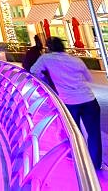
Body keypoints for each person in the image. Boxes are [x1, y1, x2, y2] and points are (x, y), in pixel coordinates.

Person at [30, 36, 102, 168]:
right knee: (94, 134)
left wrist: (47, 83)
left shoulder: (46, 58)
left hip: (69, 102)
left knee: (73, 133)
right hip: (89, 100)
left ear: (49, 47)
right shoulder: (75, 60)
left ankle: (78, 160)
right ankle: (96, 164)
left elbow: (33, 71)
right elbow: (88, 78)